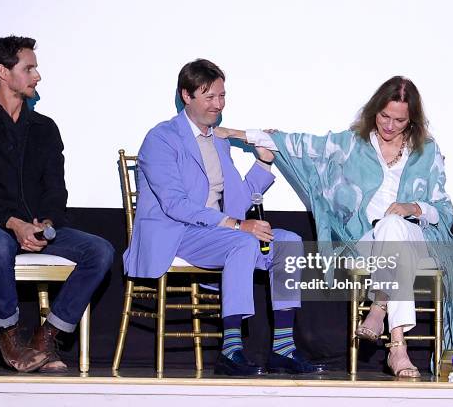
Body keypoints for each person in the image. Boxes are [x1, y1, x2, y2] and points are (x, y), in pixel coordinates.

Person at [214, 76, 453, 378]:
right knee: (389, 229)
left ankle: (387, 326)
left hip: (416, 238)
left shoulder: (427, 151)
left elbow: (443, 212)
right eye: (384, 116)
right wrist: (234, 133)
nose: (389, 125)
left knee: (395, 226)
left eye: (399, 120)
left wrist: (413, 208)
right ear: (375, 111)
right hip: (365, 242)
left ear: (412, 120)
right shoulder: (351, 145)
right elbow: (298, 145)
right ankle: (390, 332)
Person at [123, 59, 323, 376]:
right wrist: (236, 226)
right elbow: (175, 205)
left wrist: (264, 165)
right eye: (209, 97)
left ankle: (283, 349)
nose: (219, 104)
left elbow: (237, 202)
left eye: (222, 96)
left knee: (289, 242)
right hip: (175, 234)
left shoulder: (218, 140)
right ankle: (230, 350)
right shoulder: (161, 138)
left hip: (215, 233)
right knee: (242, 242)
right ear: (186, 96)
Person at [0, 36, 115, 373]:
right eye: (29, 68)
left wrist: (46, 223)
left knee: (100, 251)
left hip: (38, 228)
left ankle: (47, 336)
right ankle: (9, 334)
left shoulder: (45, 128)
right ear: (2, 72)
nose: (37, 75)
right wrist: (13, 223)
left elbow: (57, 190)